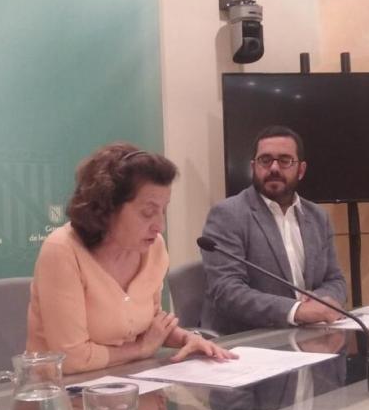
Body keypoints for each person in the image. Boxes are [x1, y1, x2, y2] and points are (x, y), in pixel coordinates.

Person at [26, 142, 235, 374]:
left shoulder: (154, 247)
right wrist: (140, 349)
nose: (160, 226)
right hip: (63, 389)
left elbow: (151, 326)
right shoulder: (62, 250)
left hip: (131, 383)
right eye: (148, 212)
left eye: (163, 210)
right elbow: (71, 359)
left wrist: (189, 338)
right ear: (106, 208)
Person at [200, 125, 348, 335]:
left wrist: (320, 300)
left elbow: (335, 280)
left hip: (309, 335)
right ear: (253, 167)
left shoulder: (318, 217)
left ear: (301, 170)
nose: (274, 168)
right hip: (247, 340)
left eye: (285, 160)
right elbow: (226, 290)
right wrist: (296, 310)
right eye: (265, 160)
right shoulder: (228, 215)